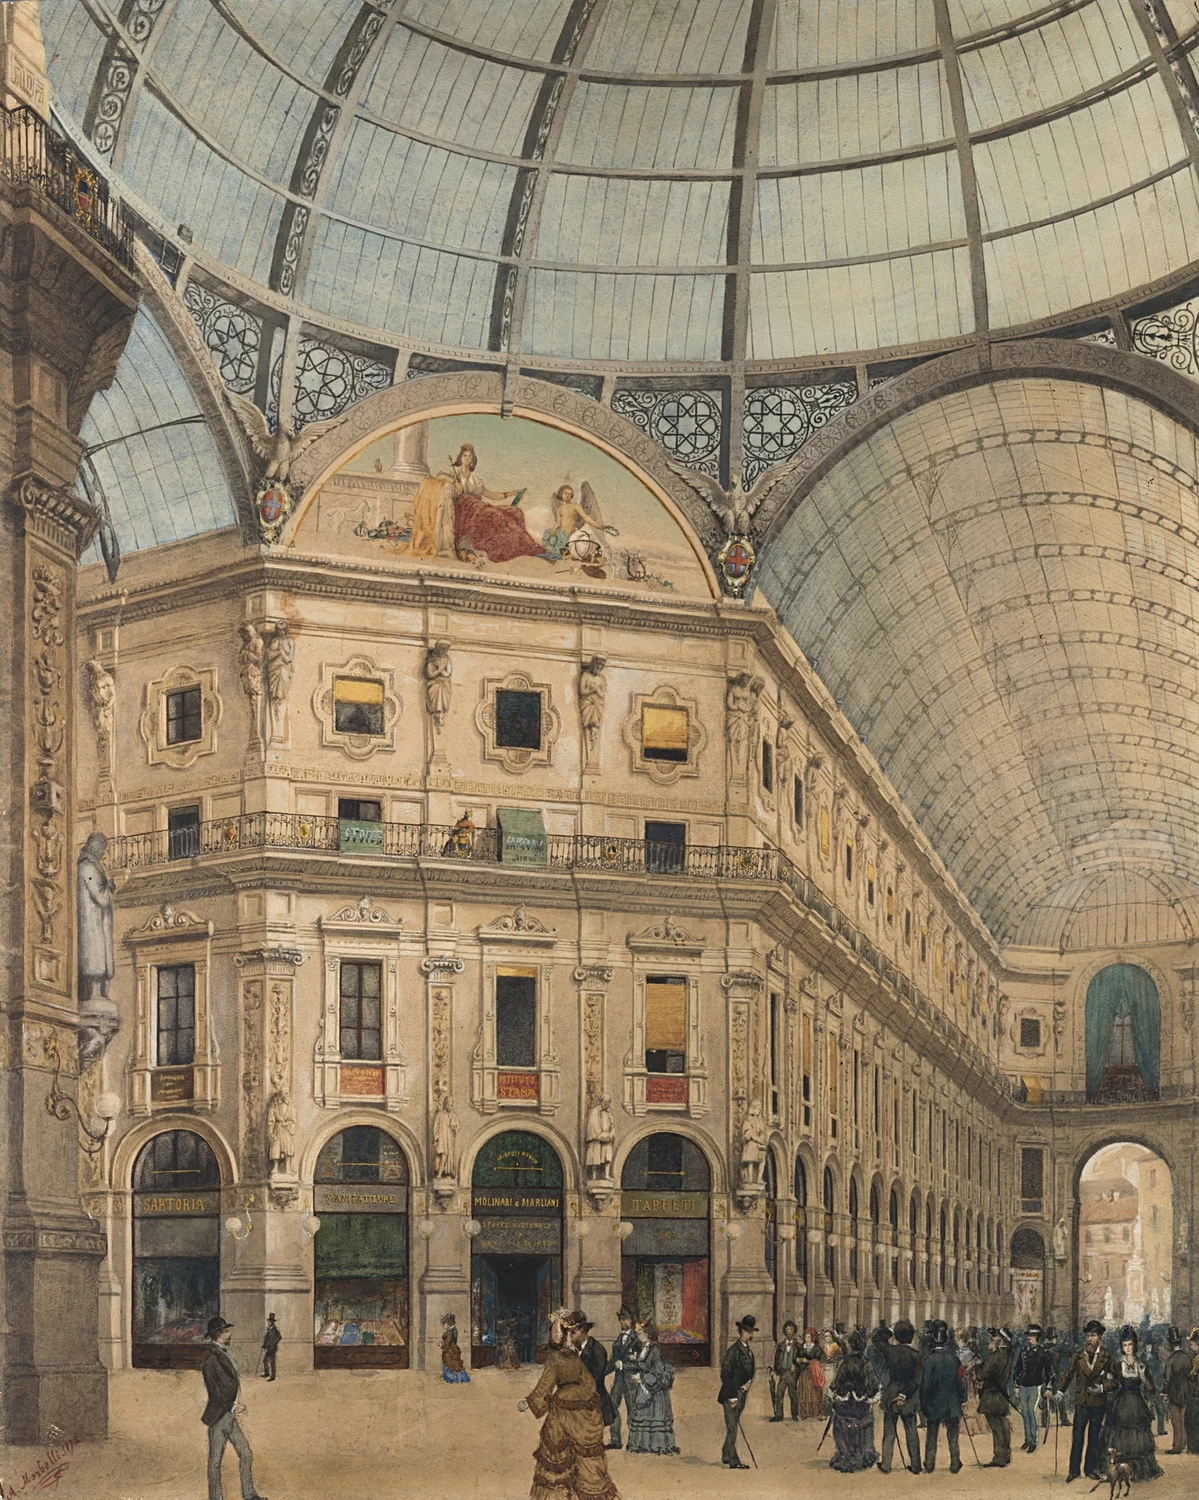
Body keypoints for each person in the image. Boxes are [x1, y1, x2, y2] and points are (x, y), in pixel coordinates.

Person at [518, 1309, 619, 1500]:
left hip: (564, 1409)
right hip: (579, 1410)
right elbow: (588, 1384)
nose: (570, 1337)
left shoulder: (557, 1358)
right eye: (569, 1333)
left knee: (560, 1453)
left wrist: (530, 1402)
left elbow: (546, 1385)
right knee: (583, 1454)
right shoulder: (574, 1358)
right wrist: (585, 1399)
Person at [201, 1316, 268, 1500]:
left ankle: (249, 1494)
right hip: (219, 1416)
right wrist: (232, 1405)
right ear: (219, 1335)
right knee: (215, 1461)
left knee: (246, 1453)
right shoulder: (210, 1361)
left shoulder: (222, 1354)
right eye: (226, 1331)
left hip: (229, 1416)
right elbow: (214, 1392)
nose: (230, 1334)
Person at [1058, 1317, 1117, 1482]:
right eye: (1088, 1335)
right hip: (1082, 1402)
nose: (1089, 1339)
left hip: (1098, 1403)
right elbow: (1067, 1375)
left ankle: (1090, 1469)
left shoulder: (1107, 1356)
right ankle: (1074, 1470)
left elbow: (1117, 1380)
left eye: (1093, 1335)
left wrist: (1104, 1387)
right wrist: (1059, 1391)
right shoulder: (1078, 1357)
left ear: (1100, 1337)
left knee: (1094, 1437)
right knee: (1077, 1437)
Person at [1103, 1324, 1162, 1481]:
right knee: (1119, 1437)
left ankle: (1136, 1472)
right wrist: (1104, 1384)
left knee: (1137, 1438)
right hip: (1121, 1403)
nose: (1128, 1348)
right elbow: (1113, 1383)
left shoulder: (1141, 1365)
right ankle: (1118, 1471)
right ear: (1122, 1346)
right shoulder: (1118, 1365)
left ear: (1135, 1345)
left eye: (1130, 1345)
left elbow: (1151, 1389)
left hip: (1136, 1404)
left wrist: (1143, 1377)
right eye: (1125, 1345)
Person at [829, 1328, 880, 1473]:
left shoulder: (844, 1362)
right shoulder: (867, 1364)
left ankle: (845, 1454)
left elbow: (836, 1384)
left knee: (842, 1423)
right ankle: (862, 1454)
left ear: (851, 1345)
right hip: (861, 1404)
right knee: (865, 1422)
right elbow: (873, 1386)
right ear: (864, 1346)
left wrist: (844, 1391)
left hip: (845, 1404)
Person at [625, 1321, 678, 1455]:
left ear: (648, 1335)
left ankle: (657, 1445)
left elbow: (658, 1372)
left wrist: (642, 1378)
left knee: (654, 1417)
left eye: (641, 1333)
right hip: (645, 1386)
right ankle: (642, 1445)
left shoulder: (655, 1350)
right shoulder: (645, 1348)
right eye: (638, 1333)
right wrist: (637, 1361)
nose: (638, 1336)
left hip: (655, 1390)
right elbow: (645, 1364)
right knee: (643, 1415)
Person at [921, 1320, 966, 1473]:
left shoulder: (929, 1360)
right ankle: (954, 1464)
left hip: (934, 1404)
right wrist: (963, 1399)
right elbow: (961, 1382)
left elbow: (925, 1385)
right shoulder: (954, 1359)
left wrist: (924, 1404)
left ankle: (929, 1464)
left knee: (932, 1436)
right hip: (952, 1404)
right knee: (953, 1437)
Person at [879, 1318, 922, 1474]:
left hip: (891, 1395)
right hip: (909, 1398)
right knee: (911, 1431)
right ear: (912, 1336)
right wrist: (904, 1394)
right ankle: (916, 1465)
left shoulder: (890, 1351)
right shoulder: (917, 1355)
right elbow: (917, 1380)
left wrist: (889, 1330)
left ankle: (886, 1464)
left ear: (896, 1336)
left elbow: (876, 1339)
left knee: (889, 1432)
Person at [717, 1314, 757, 1470]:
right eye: (746, 1331)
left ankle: (726, 1453)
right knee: (733, 1428)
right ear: (741, 1331)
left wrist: (747, 1384)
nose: (749, 1334)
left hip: (742, 1393)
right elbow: (725, 1374)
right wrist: (733, 1396)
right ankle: (734, 1460)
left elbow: (750, 1371)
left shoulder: (748, 1350)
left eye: (751, 1331)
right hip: (731, 1394)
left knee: (732, 1426)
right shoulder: (734, 1350)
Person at [978, 1326, 1014, 1468]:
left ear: (1002, 1340)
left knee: (996, 1426)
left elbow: (982, 1375)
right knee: (1003, 1423)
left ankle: (999, 1457)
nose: (991, 1339)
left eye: (994, 1337)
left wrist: (977, 1367)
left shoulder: (995, 1356)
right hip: (1002, 1394)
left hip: (992, 1394)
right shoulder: (1008, 1354)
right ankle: (1006, 1454)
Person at [1013, 1322, 1053, 1452]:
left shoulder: (1044, 1353)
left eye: (1031, 1336)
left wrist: (1048, 1388)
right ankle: (1027, 1439)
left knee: (1031, 1412)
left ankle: (1033, 1442)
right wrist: (1016, 1385)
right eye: (1028, 1335)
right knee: (1024, 1413)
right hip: (1024, 1385)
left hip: (1036, 1386)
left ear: (1037, 1337)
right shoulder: (1023, 1352)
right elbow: (1017, 1369)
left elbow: (1050, 1373)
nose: (1028, 1338)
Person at [606, 1307, 639, 1450]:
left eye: (626, 1319)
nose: (623, 1322)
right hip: (619, 1380)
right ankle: (615, 1439)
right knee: (612, 1406)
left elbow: (640, 1362)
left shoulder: (637, 1339)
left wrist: (623, 1365)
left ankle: (635, 1442)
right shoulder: (618, 1340)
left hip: (631, 1380)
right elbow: (613, 1361)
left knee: (633, 1409)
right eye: (621, 1319)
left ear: (631, 1321)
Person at [577, 1318, 615, 1436]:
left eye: (574, 1333)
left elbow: (597, 1375)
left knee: (593, 1426)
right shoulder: (575, 1347)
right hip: (580, 1392)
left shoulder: (597, 1349)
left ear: (583, 1333)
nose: (570, 1336)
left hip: (595, 1393)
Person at [1164, 1326, 1190, 1453]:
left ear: (1170, 1344)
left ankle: (1176, 1446)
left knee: (1176, 1421)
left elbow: (1167, 1379)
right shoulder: (1187, 1357)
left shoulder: (1171, 1360)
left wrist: (1165, 1393)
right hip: (1186, 1392)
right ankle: (1183, 1444)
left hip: (1174, 1393)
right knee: (1184, 1419)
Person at [771, 1320, 802, 1421]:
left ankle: (795, 1415)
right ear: (785, 1331)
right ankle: (779, 1415)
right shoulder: (780, 1345)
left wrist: (795, 1366)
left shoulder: (798, 1346)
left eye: (791, 1329)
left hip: (792, 1374)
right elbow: (777, 1358)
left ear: (794, 1331)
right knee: (779, 1394)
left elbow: (801, 1359)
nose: (789, 1331)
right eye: (787, 1329)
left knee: (793, 1395)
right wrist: (776, 1371)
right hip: (783, 1373)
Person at [799, 1326, 826, 1419]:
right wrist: (799, 1360)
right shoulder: (801, 1348)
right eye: (805, 1337)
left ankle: (817, 1413)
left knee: (815, 1393)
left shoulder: (817, 1349)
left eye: (809, 1337)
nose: (807, 1339)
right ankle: (805, 1413)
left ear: (813, 1338)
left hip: (814, 1373)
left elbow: (821, 1360)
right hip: (804, 1373)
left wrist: (809, 1361)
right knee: (805, 1393)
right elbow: (798, 1358)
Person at [441, 1313, 470, 1384]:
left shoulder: (450, 1331)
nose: (444, 1325)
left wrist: (442, 1345)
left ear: (448, 1323)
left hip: (450, 1350)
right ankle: (460, 1378)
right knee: (455, 1364)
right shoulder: (453, 1329)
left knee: (451, 1364)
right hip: (453, 1348)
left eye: (445, 1323)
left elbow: (448, 1342)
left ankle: (452, 1379)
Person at [1186, 1327, 1199, 1453]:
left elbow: (1193, 1376)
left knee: (1192, 1421)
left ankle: (1195, 1448)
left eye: (1192, 1343)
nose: (1190, 1347)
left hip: (1196, 1395)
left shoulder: (1197, 1359)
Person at [260, 1314, 280, 1382]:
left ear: (272, 1322)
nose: (268, 1323)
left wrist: (273, 1344)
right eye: (268, 1321)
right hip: (268, 1348)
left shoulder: (274, 1330)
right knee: (265, 1360)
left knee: (272, 1362)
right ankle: (267, 1373)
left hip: (272, 1349)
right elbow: (266, 1339)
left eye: (269, 1322)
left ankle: (272, 1376)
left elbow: (279, 1337)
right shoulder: (268, 1329)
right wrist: (264, 1346)